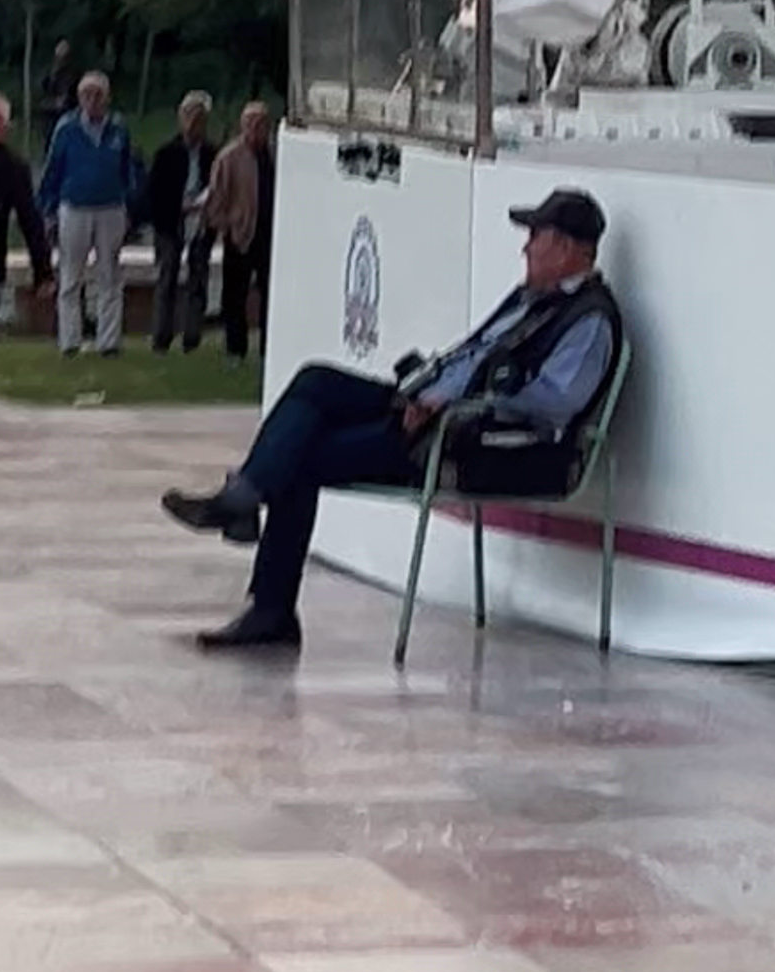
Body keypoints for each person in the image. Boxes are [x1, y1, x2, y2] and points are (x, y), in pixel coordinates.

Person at [167, 183, 621, 660]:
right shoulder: (532, 298)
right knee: (315, 382)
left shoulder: (589, 321)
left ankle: (266, 591)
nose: (525, 247)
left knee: (300, 459)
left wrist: (449, 406)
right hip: (432, 410)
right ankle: (245, 502)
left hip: (468, 440)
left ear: (567, 249)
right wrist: (427, 391)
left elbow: (555, 404)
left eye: (536, 237)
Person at [36, 69, 137, 354]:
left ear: (107, 98)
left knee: (110, 276)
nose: (93, 100)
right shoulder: (66, 128)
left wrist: (129, 203)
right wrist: (48, 209)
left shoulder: (119, 128)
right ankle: (70, 341)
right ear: (79, 98)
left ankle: (109, 341)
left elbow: (128, 168)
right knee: (70, 277)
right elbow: (53, 169)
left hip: (111, 207)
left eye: (98, 95)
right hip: (74, 207)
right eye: (87, 95)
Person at [143, 89, 218, 349]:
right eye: (189, 117)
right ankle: (162, 336)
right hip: (171, 223)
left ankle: (192, 336)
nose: (193, 124)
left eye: (199, 119)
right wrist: (179, 206)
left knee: (198, 278)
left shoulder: (212, 154)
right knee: (167, 278)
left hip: (201, 221)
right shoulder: (166, 153)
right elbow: (154, 194)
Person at [205, 96, 276, 363]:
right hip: (241, 234)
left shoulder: (274, 154)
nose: (257, 129)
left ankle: (268, 349)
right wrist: (227, 223)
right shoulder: (229, 157)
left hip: (269, 235)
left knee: (270, 294)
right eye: (252, 124)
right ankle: (235, 349)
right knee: (234, 295)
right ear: (242, 126)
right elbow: (216, 198)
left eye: (262, 124)